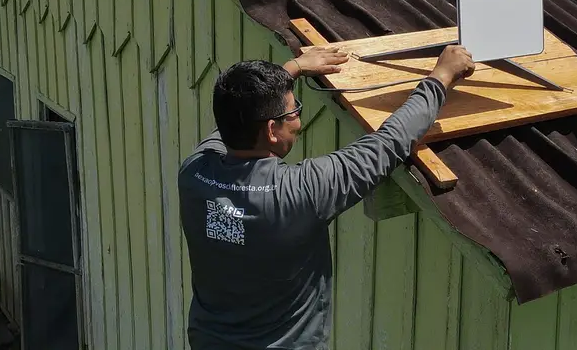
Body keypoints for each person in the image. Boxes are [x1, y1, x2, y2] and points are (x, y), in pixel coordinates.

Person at [179, 43, 475, 350]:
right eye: (294, 112)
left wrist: (293, 68)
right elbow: (389, 143)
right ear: (271, 130)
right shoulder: (301, 192)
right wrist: (441, 76)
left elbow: (235, 116)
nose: (298, 121)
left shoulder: (194, 172)